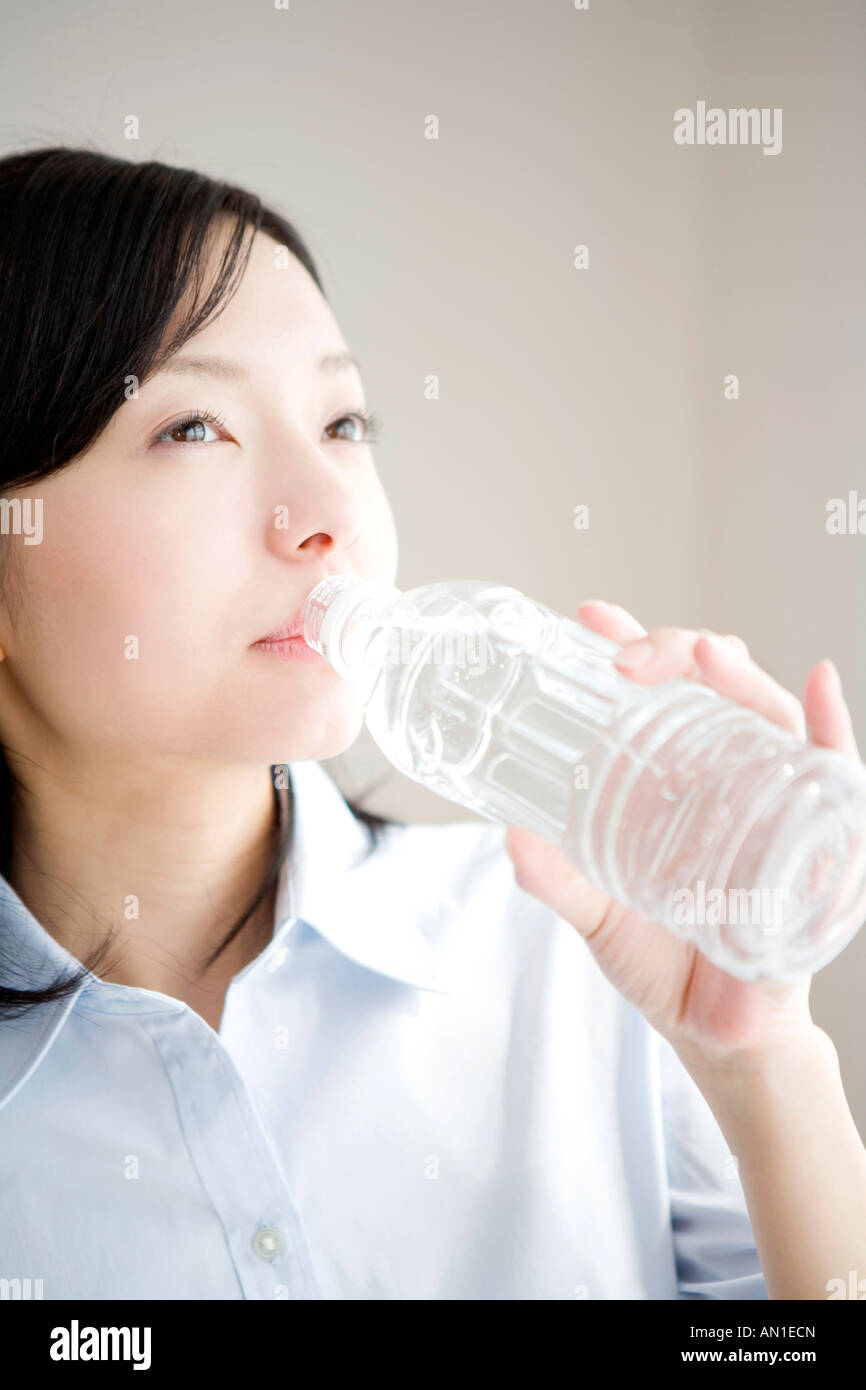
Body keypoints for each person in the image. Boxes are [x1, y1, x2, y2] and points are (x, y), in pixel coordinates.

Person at [0, 146, 863, 1301]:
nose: (327, 517)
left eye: (344, 421)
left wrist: (759, 1061)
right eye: (195, 427)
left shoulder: (578, 954)